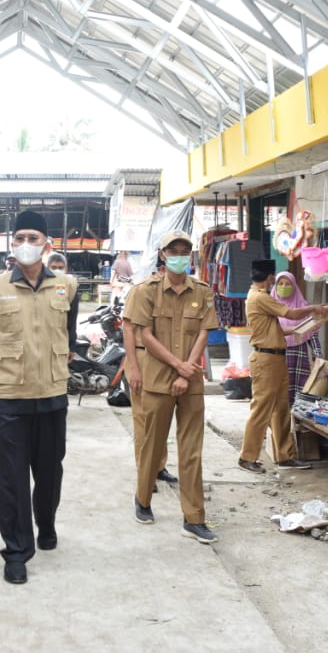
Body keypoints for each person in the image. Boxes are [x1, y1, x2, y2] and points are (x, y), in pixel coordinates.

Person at [0, 210, 78, 585]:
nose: (25, 245)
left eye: (33, 238)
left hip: (52, 392)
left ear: (47, 245)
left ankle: (46, 523)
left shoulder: (67, 286)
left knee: (50, 472)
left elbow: (67, 333)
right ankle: (17, 551)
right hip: (9, 396)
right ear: (12, 244)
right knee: (12, 478)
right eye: (19, 238)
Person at [128, 231, 219, 543]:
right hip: (157, 380)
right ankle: (142, 499)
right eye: (173, 250)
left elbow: (205, 332)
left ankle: (194, 517)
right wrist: (176, 366)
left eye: (185, 250)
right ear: (163, 254)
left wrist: (187, 369)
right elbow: (145, 335)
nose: (179, 254)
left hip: (190, 381)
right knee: (151, 445)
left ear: (190, 254)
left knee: (191, 451)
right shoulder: (146, 291)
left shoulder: (203, 291)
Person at [238, 259, 328, 473]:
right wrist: (314, 308)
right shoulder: (260, 297)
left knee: (281, 409)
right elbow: (291, 313)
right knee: (261, 409)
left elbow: (279, 329)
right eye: (274, 279)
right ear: (270, 278)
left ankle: (284, 456)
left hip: (276, 358)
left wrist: (305, 326)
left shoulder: (258, 297)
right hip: (266, 359)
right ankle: (247, 457)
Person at [122, 277, 178, 489]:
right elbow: (128, 328)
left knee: (160, 417)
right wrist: (134, 368)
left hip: (164, 360)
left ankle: (158, 466)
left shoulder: (176, 292)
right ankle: (145, 472)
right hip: (142, 357)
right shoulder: (141, 291)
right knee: (143, 420)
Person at [273, 271, 323, 404]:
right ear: (275, 285)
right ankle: (281, 422)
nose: (284, 287)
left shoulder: (303, 307)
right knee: (281, 391)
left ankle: (296, 421)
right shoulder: (270, 307)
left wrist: (319, 356)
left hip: (300, 355)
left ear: (294, 286)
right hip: (278, 354)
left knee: (300, 392)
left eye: (288, 284)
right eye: (281, 283)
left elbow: (312, 334)